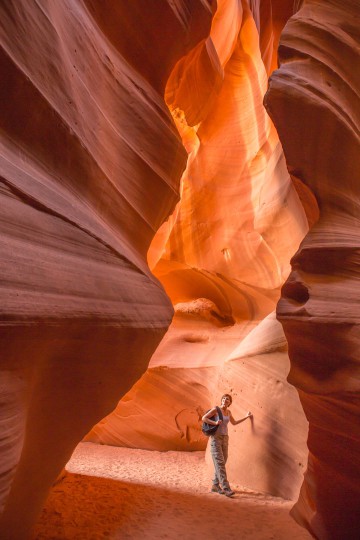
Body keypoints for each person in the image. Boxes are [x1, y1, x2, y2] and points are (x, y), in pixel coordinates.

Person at [202, 394, 252, 497]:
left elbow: (234, 423)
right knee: (220, 463)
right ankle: (226, 488)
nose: (225, 400)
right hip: (216, 439)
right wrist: (215, 422)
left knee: (223, 462)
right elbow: (204, 418)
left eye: (228, 399)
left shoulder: (228, 412)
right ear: (221, 400)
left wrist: (246, 417)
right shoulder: (216, 409)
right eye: (224, 398)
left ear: (230, 403)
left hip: (225, 439)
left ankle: (215, 485)